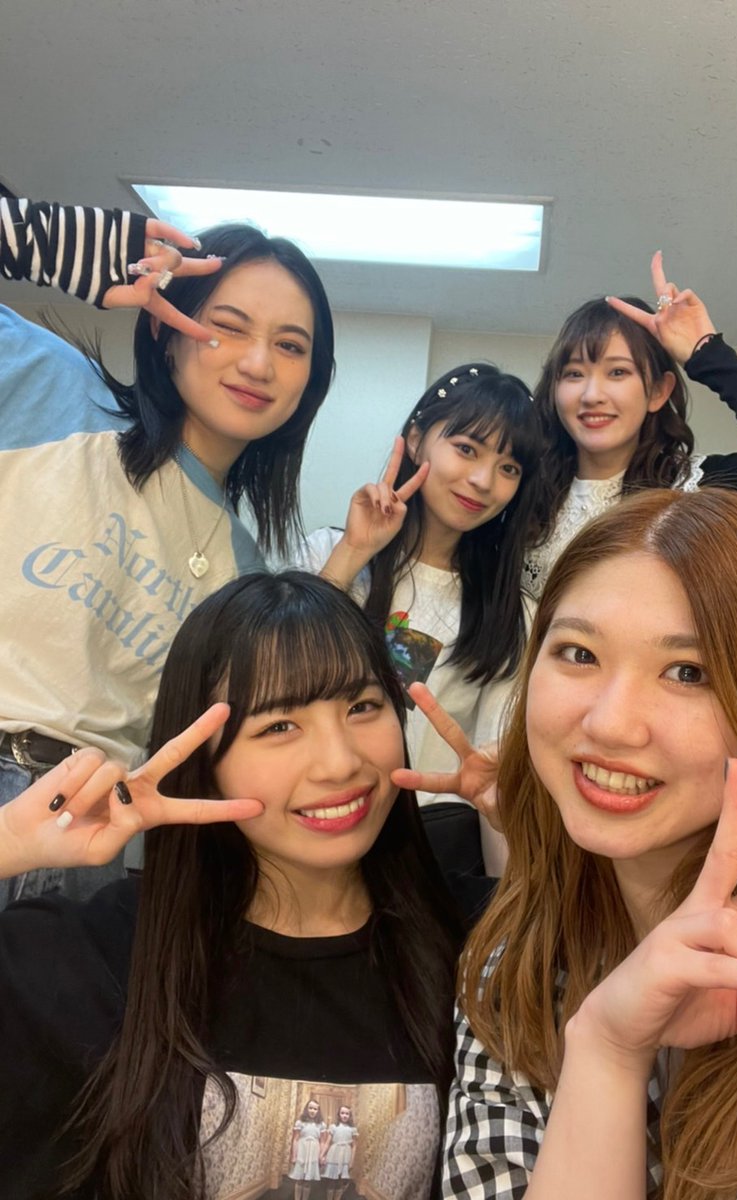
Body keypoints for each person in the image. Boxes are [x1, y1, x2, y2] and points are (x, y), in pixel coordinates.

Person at [440, 488, 737, 1199]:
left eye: (689, 672)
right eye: (578, 653)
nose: (611, 724)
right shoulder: (514, 965)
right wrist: (606, 1050)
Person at [0, 571, 462, 1200]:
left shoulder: (478, 945)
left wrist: (540, 831)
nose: (341, 763)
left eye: (362, 707)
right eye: (279, 726)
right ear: (204, 763)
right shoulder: (100, 957)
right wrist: (11, 844)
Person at [0, 196, 335, 904]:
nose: (257, 363)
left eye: (290, 346)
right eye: (228, 327)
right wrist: (46, 243)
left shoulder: (244, 572)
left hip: (83, 847)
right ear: (164, 329)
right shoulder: (50, 386)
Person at [296, 364, 543, 881]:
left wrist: (503, 903)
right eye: (467, 449)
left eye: (509, 468)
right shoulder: (329, 554)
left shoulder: (512, 613)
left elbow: (495, 770)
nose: (483, 481)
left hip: (431, 852)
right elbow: (281, 675)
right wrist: (354, 551)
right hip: (312, 822)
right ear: (415, 439)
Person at [522, 253, 737, 596]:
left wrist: (706, 353)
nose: (591, 395)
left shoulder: (692, 494)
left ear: (658, 392)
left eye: (617, 372)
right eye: (574, 374)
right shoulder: (520, 488)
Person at [289, 1098, 327, 1199]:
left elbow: (322, 1141)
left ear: (318, 1111)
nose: (312, 1111)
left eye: (315, 1109)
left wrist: (321, 1156)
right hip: (302, 1150)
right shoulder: (300, 1122)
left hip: (314, 1151)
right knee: (299, 1179)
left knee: (308, 1181)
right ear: (306, 1109)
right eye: (310, 1108)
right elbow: (296, 1139)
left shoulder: (321, 1124)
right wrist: (294, 1156)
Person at [321, 1104, 359, 1199]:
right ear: (339, 1114)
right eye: (342, 1113)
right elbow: (327, 1142)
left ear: (350, 1116)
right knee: (331, 1181)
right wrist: (322, 1155)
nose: (344, 1115)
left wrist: (352, 1161)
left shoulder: (352, 1129)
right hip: (334, 1154)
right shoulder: (334, 1127)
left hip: (345, 1155)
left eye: (347, 1114)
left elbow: (354, 1146)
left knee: (341, 1181)